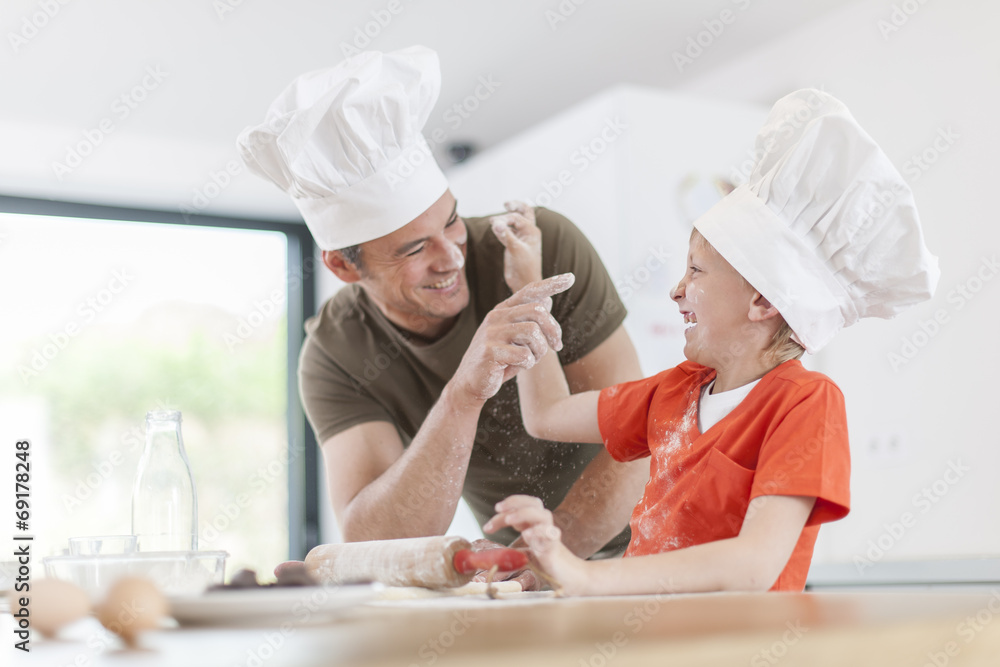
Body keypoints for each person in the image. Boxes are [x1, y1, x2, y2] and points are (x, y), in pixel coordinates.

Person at [484, 89, 940, 595]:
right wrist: (526, 289)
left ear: (763, 301)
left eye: (696, 270)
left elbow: (753, 567)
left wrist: (583, 573)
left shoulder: (806, 403)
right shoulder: (677, 391)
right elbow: (547, 414)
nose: (676, 289)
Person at [237, 46, 648, 584]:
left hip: (656, 548)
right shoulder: (337, 351)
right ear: (342, 265)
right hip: (523, 579)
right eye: (413, 250)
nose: (450, 256)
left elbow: (638, 437)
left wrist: (549, 556)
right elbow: (377, 541)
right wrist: (463, 394)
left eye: (451, 221)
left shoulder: (537, 250)